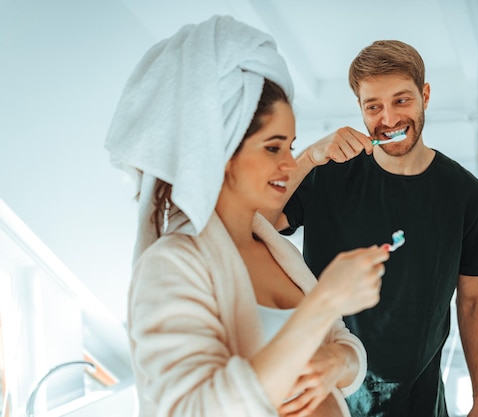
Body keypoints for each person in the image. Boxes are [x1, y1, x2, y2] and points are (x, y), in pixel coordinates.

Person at [104, 16, 391, 417]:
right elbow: (193, 408)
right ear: (218, 151)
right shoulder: (171, 266)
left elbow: (341, 341)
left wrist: (340, 363)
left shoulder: (276, 248)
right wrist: (323, 301)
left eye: (291, 146)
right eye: (274, 148)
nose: (291, 165)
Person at [266, 40, 478, 417]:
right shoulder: (325, 174)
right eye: (374, 106)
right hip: (327, 391)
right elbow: (264, 221)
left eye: (401, 101)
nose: (388, 119)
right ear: (360, 108)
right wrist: (307, 158)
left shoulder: (469, 196)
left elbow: (473, 301)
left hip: (419, 400)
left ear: (425, 96)